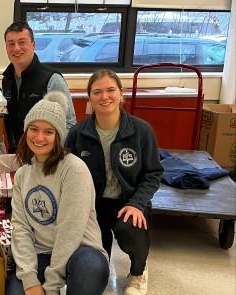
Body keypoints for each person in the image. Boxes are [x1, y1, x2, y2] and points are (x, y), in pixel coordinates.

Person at [65, 70, 163, 295]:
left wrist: (138, 203)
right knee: (95, 260)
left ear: (121, 94)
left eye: (111, 90)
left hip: (128, 201)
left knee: (132, 227)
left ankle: (138, 272)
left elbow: (153, 173)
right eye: (97, 92)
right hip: (93, 206)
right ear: (89, 98)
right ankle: (100, 269)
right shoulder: (78, 133)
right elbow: (67, 174)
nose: (104, 97)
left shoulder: (141, 131)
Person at [7, 91, 109, 295]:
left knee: (91, 268)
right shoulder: (21, 175)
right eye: (34, 129)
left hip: (80, 250)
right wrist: (30, 279)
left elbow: (69, 231)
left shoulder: (74, 169)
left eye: (49, 132)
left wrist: (50, 287)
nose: (39, 137)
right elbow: (21, 228)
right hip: (41, 253)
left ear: (59, 136)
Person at [2, 21, 76, 153]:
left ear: (33, 45)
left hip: (47, 158)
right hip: (19, 156)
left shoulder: (52, 79)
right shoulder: (6, 80)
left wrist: (46, 154)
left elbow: (69, 125)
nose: (16, 48)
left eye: (22, 42)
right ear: (6, 48)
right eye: (11, 44)